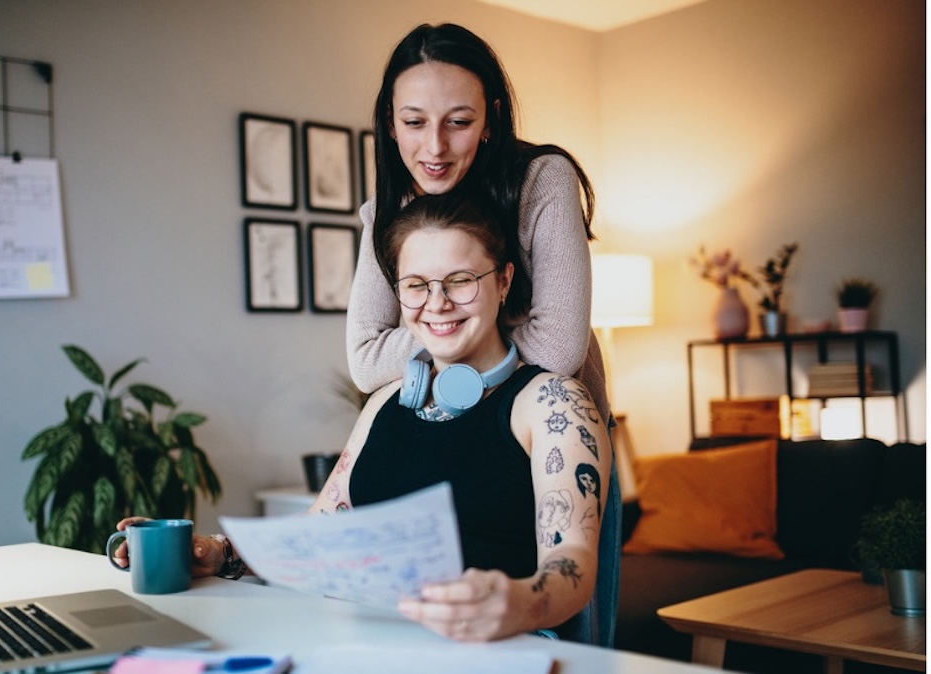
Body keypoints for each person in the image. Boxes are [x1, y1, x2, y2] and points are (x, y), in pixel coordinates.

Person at [114, 193, 611, 643]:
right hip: (371, 641)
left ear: (503, 281)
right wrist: (216, 553)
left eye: (460, 281)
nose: (436, 304)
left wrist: (520, 602)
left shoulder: (553, 403)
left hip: (493, 651)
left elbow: (573, 567)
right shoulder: (386, 402)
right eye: (415, 285)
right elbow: (319, 533)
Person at [345, 22, 620, 646]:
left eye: (458, 121)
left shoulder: (539, 180)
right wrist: (454, 308)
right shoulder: (385, 212)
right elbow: (366, 361)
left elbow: (556, 350)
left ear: (491, 118)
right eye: (413, 122)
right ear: (390, 123)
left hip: (545, 448)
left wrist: (460, 309)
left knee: (564, 630)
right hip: (439, 433)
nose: (434, 146)